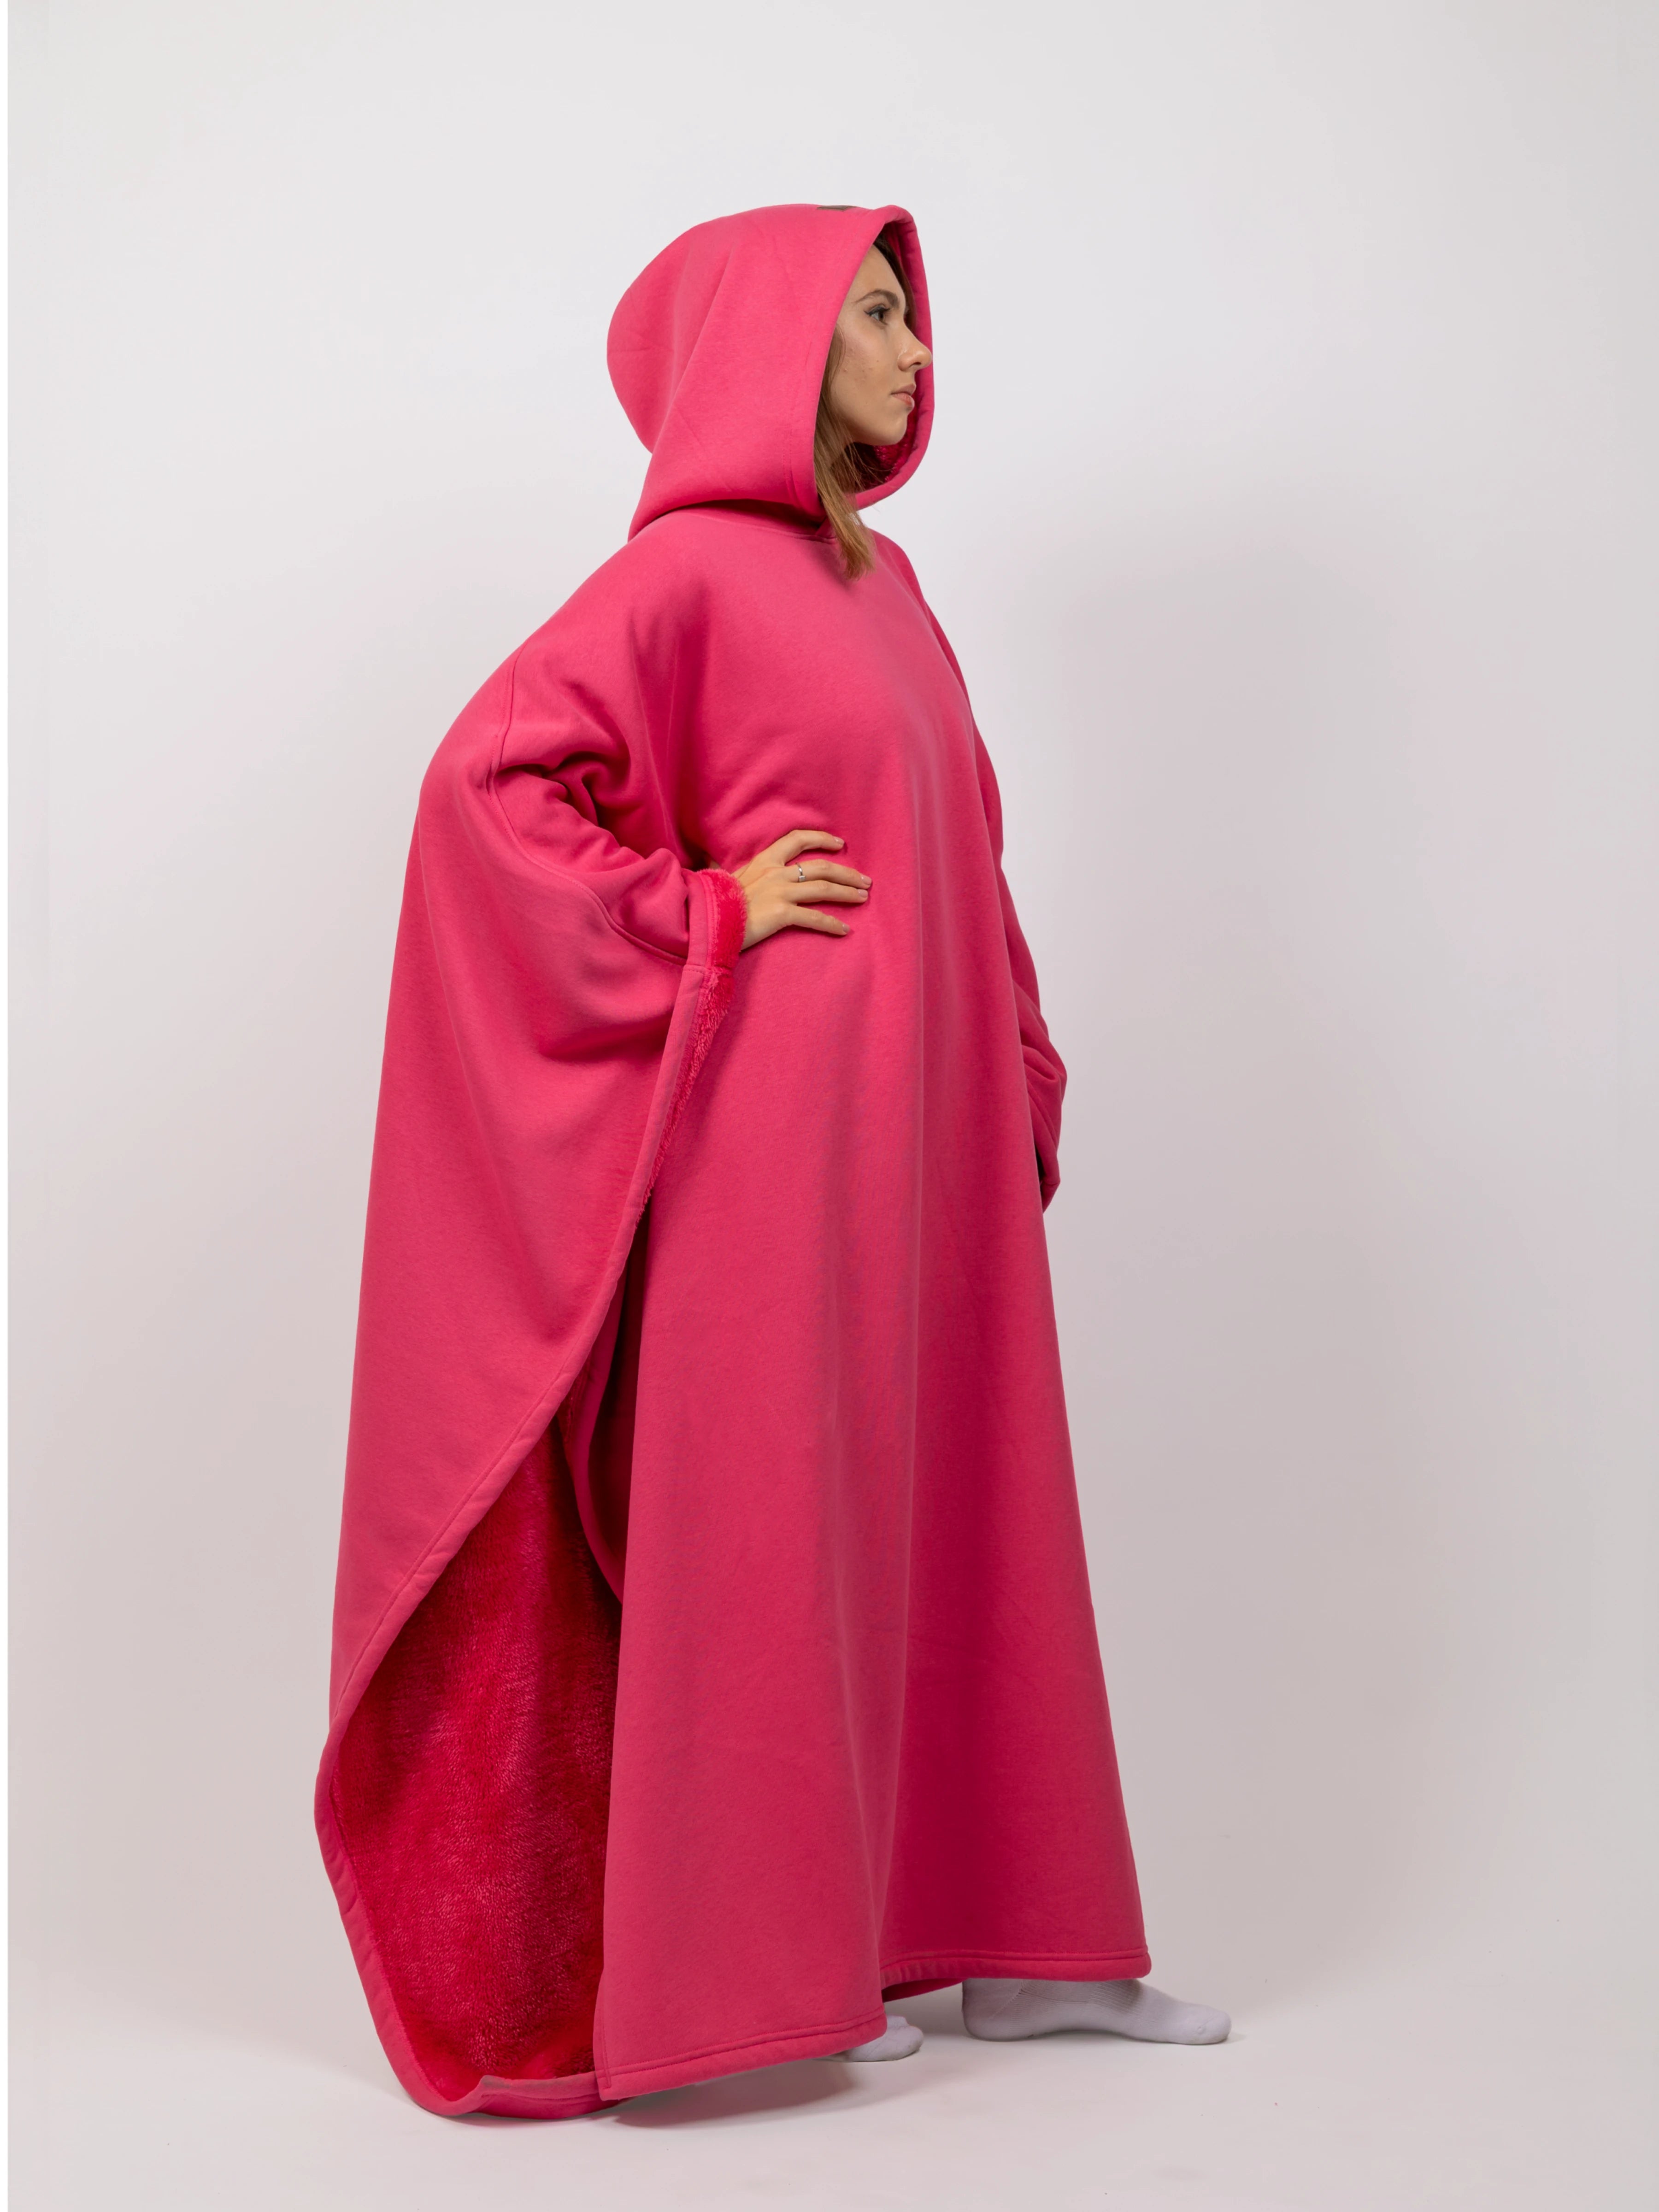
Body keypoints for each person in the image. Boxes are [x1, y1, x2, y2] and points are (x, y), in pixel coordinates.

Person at [316, 202, 1227, 2120]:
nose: (917, 352)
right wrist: (702, 910)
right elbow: (488, 787)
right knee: (777, 1514)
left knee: (973, 1499)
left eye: (912, 317)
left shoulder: (888, 583)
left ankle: (1032, 1948)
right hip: (784, 1130)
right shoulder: (684, 582)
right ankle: (778, 1972)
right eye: (878, 315)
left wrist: (1015, 1053)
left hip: (933, 1128)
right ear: (777, 345)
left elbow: (962, 847)